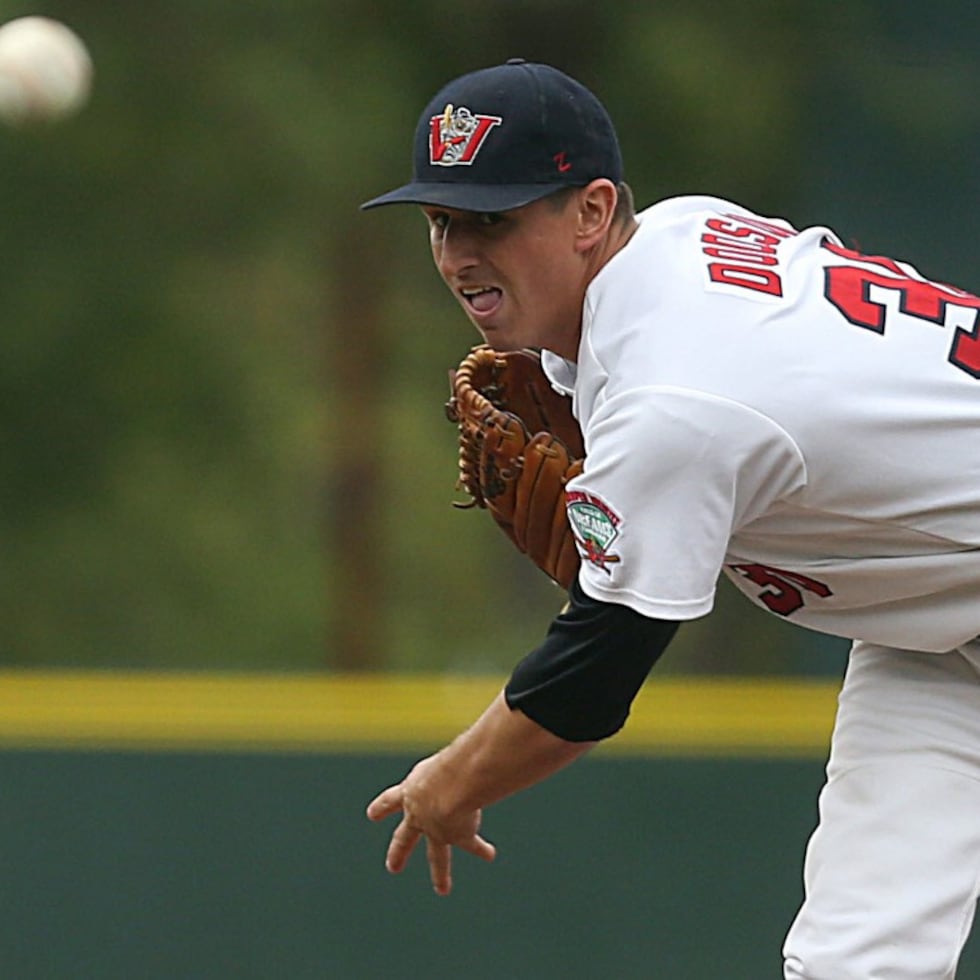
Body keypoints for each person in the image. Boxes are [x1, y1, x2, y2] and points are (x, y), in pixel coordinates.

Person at [360, 58, 980, 979]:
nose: (458, 255)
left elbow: (591, 680)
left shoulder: (673, 400)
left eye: (494, 218)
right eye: (443, 222)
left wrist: (454, 782)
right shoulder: (684, 237)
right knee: (857, 962)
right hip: (937, 627)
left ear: (594, 211)